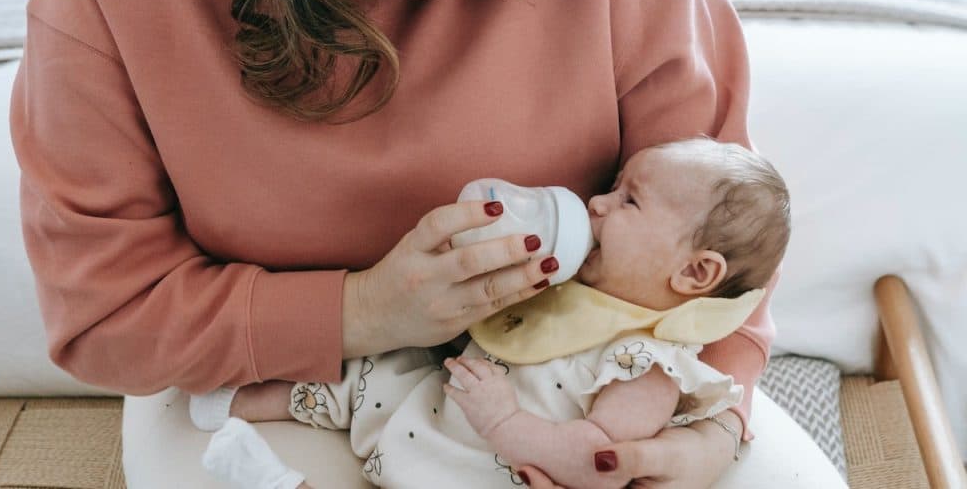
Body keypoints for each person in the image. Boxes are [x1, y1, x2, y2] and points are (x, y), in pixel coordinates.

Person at [9, 0, 846, 486]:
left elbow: (725, 225)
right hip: (266, 380)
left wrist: (718, 414)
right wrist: (365, 310)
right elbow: (106, 316)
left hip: (582, 376)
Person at [192, 138, 789, 489]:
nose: (596, 204)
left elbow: (597, 462)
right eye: (611, 186)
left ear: (695, 274)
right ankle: (241, 399)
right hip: (436, 407)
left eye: (628, 199)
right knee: (380, 370)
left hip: (484, 467)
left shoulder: (650, 365)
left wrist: (504, 423)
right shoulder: (580, 286)